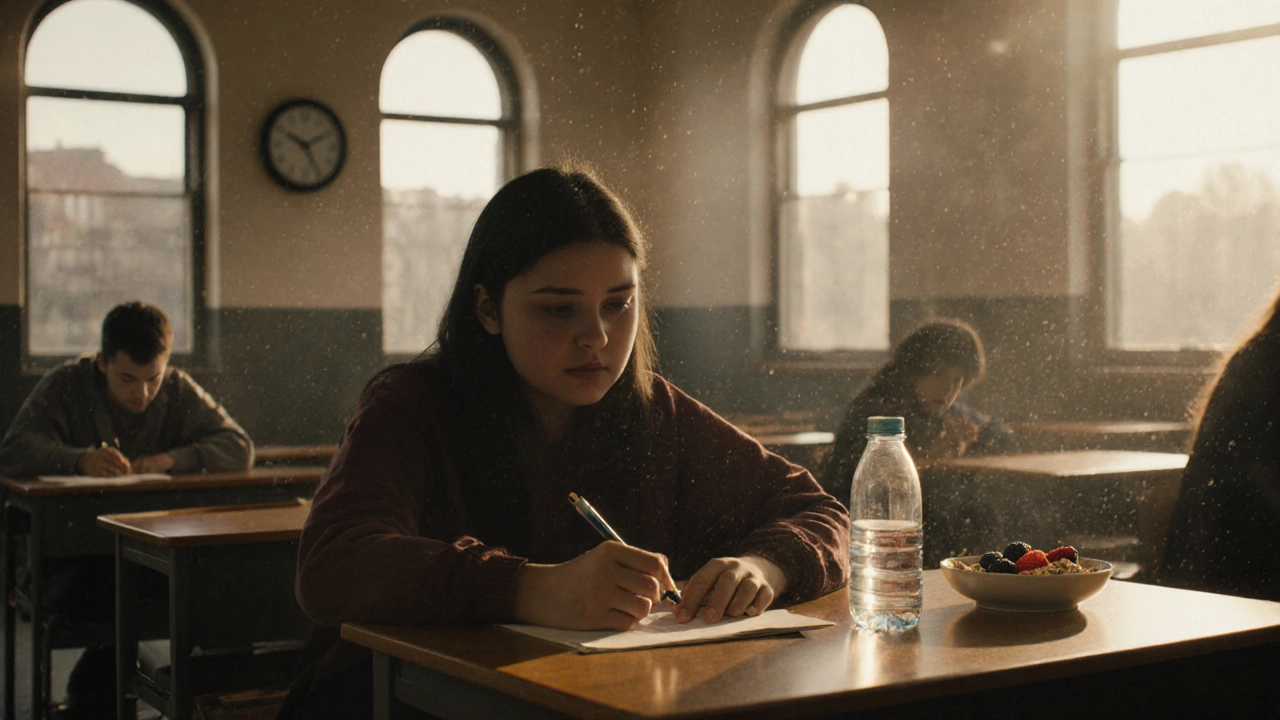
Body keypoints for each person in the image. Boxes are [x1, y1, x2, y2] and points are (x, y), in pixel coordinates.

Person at [278, 167, 849, 719]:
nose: (597, 336)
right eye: (558, 308)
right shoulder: (410, 405)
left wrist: (766, 565)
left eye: (619, 303)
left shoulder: (656, 410)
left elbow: (818, 509)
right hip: (398, 703)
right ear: (487, 309)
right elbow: (332, 563)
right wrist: (530, 588)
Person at [0, 300, 253, 720]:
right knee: (116, 594)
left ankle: (128, 696)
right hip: (76, 561)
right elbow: (12, 451)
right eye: (128, 379)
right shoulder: (65, 383)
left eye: (154, 379)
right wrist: (78, 459)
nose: (142, 394)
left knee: (211, 592)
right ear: (101, 362)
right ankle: (100, 695)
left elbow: (238, 448)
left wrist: (172, 460)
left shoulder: (176, 386)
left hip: (149, 557)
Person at [1159, 287, 1280, 600]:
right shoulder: (1265, 365)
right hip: (1231, 562)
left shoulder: (1258, 354)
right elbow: (1260, 480)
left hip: (1210, 552)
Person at [822, 318, 1016, 503]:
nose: (947, 389)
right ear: (913, 370)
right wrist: (931, 457)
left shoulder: (946, 410)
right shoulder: (876, 411)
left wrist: (970, 442)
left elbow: (1002, 436)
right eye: (937, 374)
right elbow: (870, 486)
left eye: (956, 380)